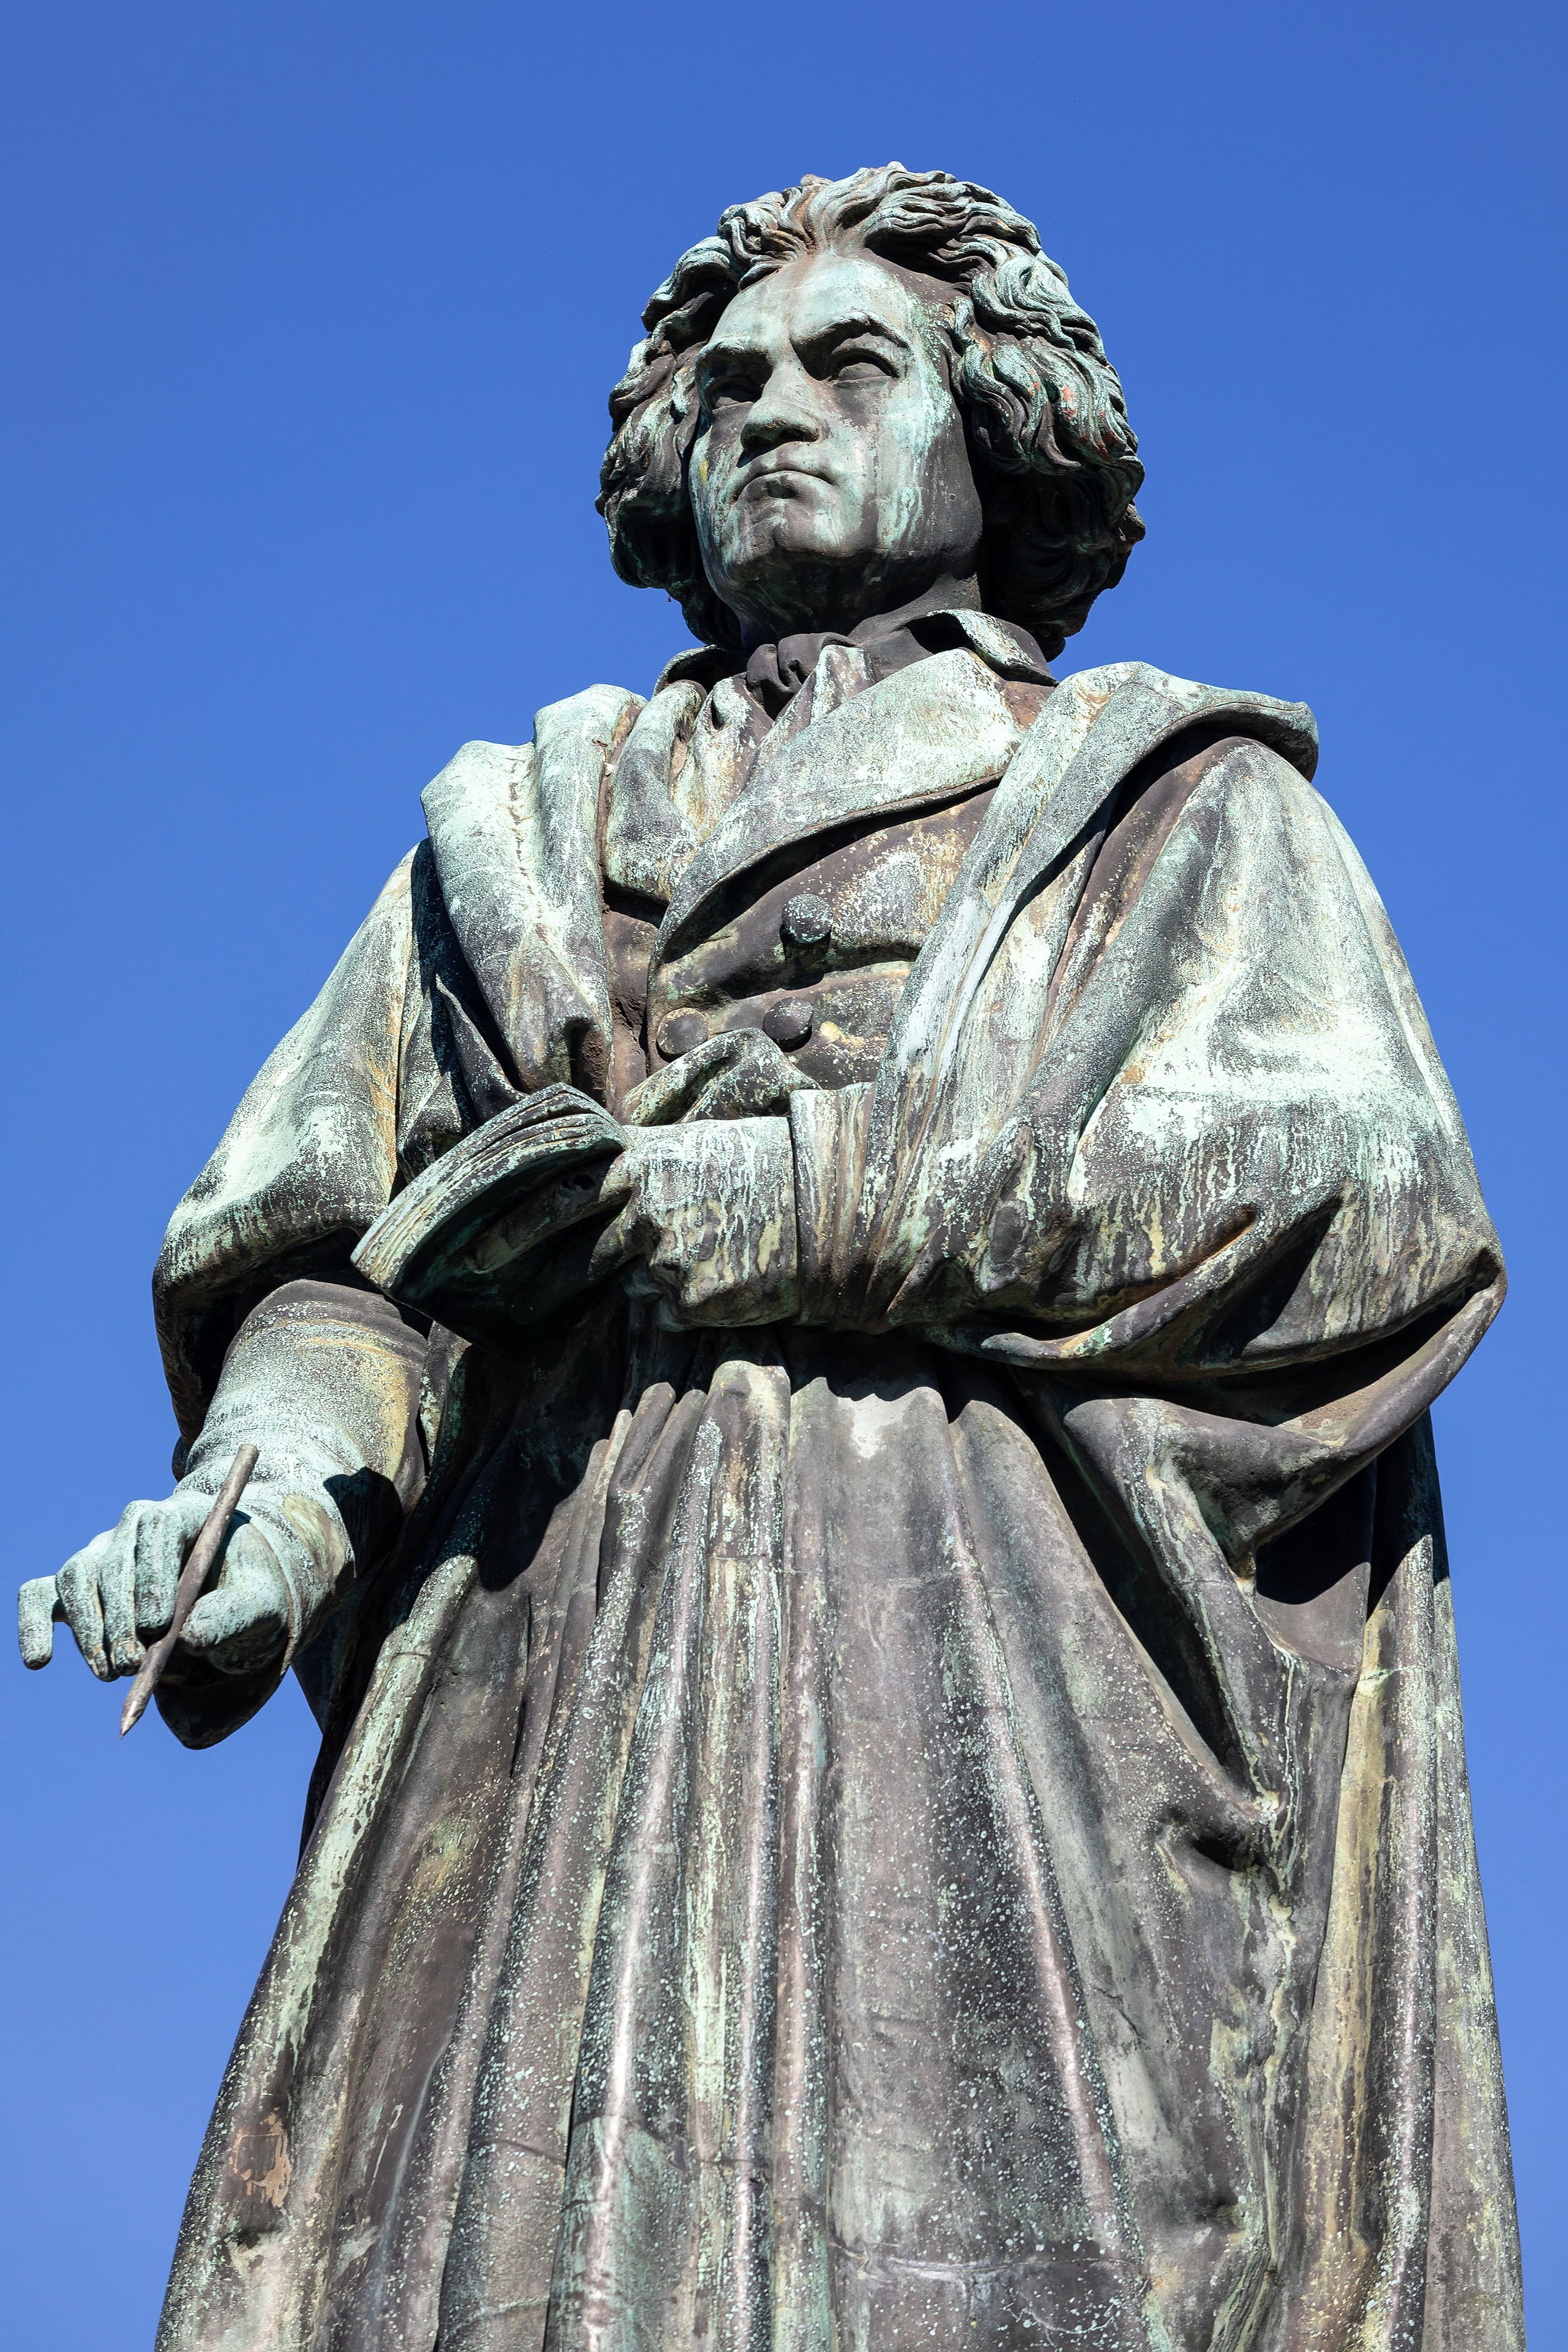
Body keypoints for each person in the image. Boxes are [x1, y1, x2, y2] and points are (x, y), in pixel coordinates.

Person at [18, 166, 1522, 2351]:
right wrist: (274, 1506)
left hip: (998, 1738)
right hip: (541, 1698)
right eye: (724, 384)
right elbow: (335, 1259)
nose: (770, 410)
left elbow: (1364, 1199)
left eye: (849, 362)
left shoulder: (1168, 807)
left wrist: (795, 1202)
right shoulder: (522, 835)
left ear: (988, 424)